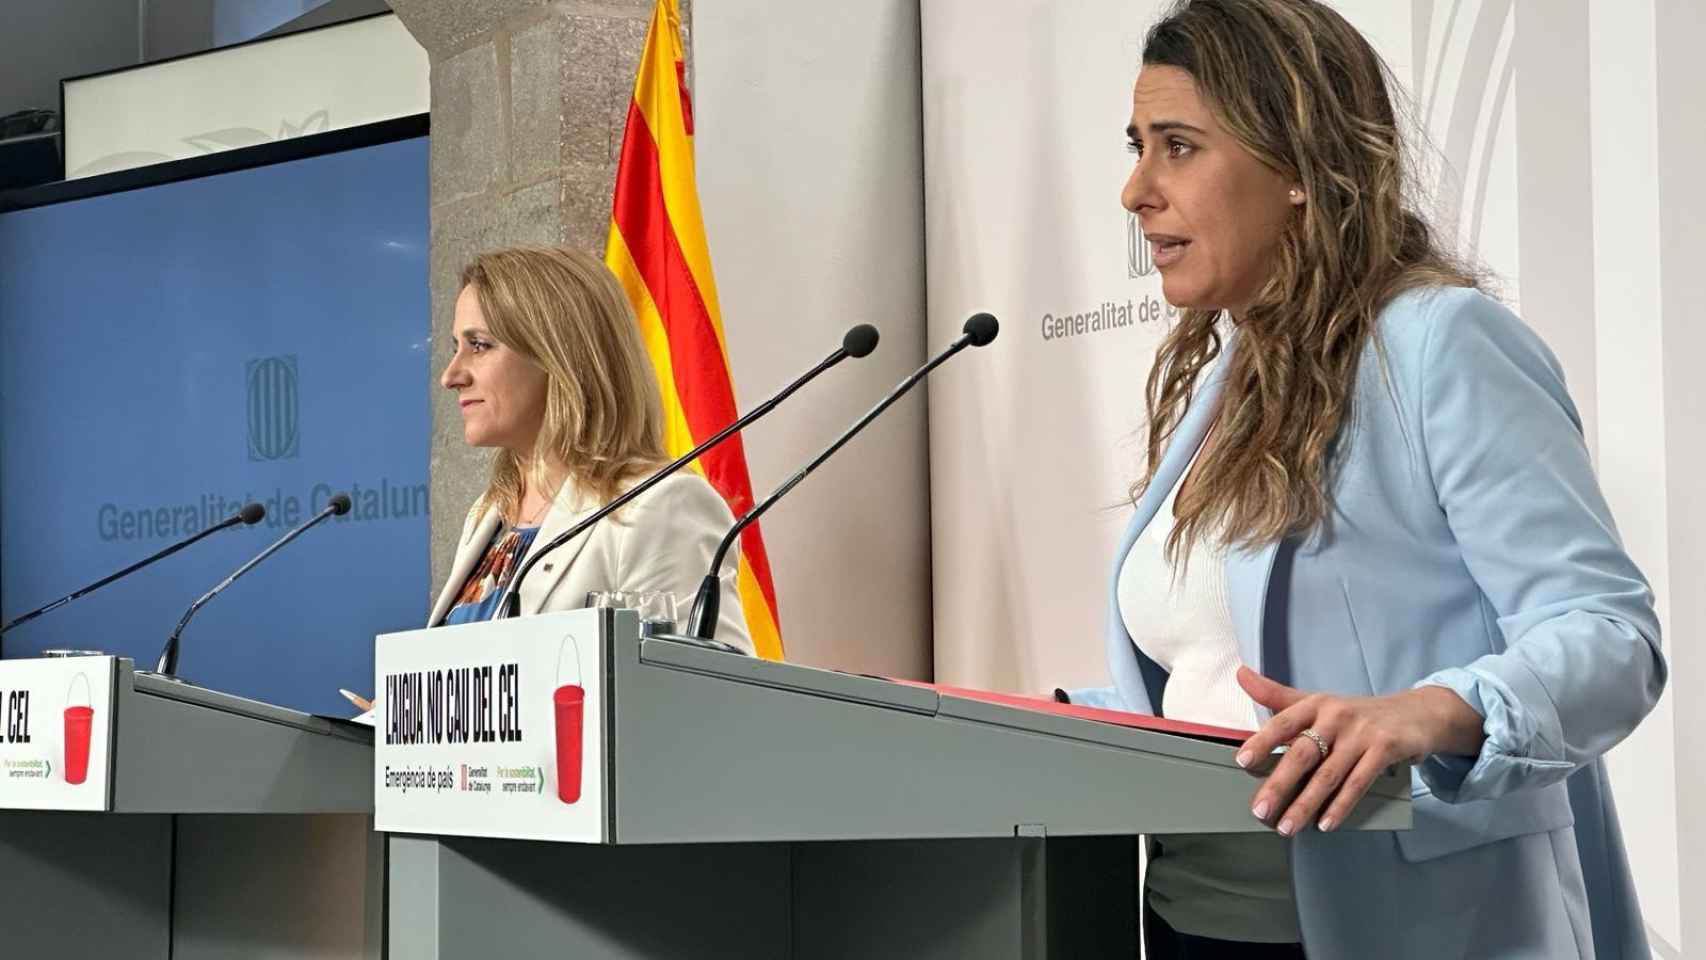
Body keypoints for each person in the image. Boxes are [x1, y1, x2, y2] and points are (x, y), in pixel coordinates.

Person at [1068, 1, 1666, 956]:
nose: (1136, 190)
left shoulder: (1440, 344)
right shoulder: (1230, 383)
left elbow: (1610, 637)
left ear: (1297, 165)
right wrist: (1034, 720)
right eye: (1138, 148)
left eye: (1178, 147)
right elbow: (1216, 682)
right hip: (1190, 922)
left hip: (1411, 925)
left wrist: (1428, 711)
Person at [428, 245, 752, 653]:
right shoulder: (489, 513)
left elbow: (707, 685)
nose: (450, 376)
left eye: (479, 345)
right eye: (455, 347)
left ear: (558, 353)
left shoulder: (660, 506)